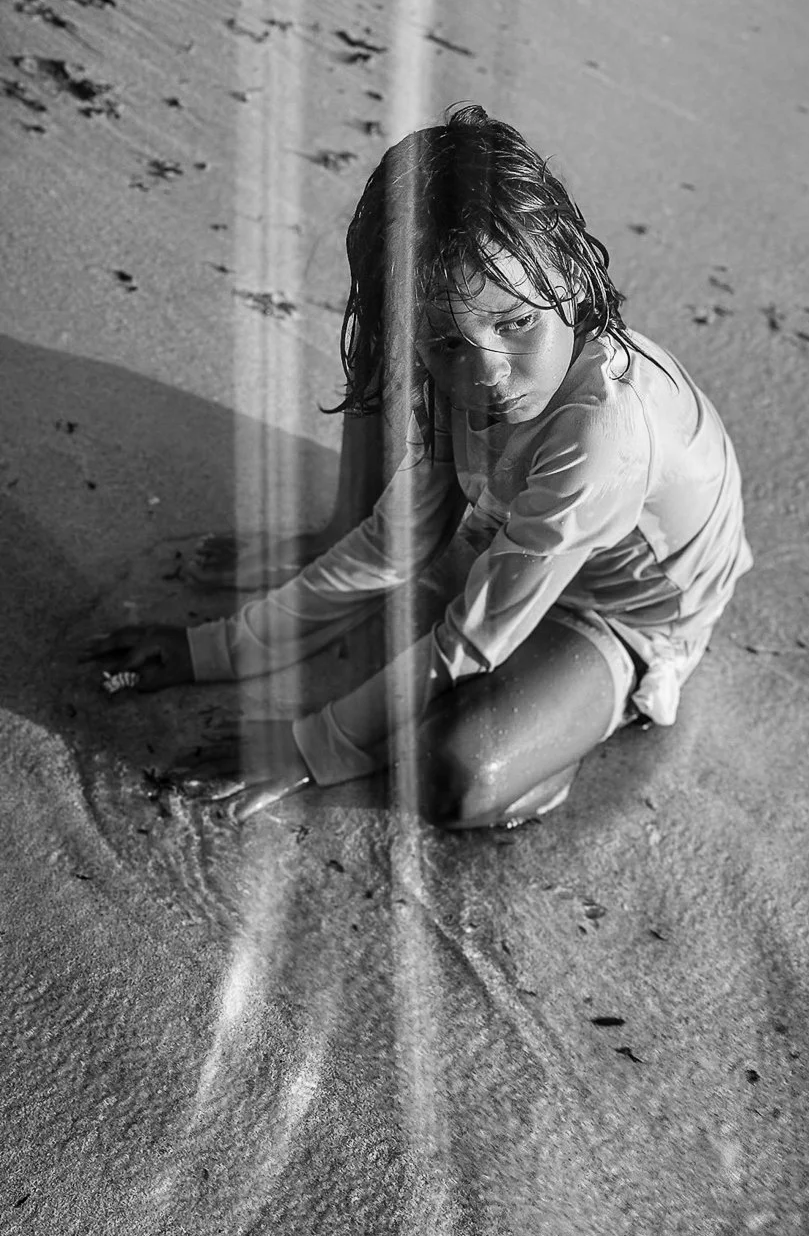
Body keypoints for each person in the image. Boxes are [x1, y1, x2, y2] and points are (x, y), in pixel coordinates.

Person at [86, 105, 752, 828]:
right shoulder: (454, 361)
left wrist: (311, 747)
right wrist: (207, 651)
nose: (489, 371)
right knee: (380, 380)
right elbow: (392, 541)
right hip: (513, 533)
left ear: (576, 279)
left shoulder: (605, 435)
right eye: (447, 342)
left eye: (517, 322)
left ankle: (565, 737)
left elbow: (471, 637)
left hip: (622, 613)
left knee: (454, 775)